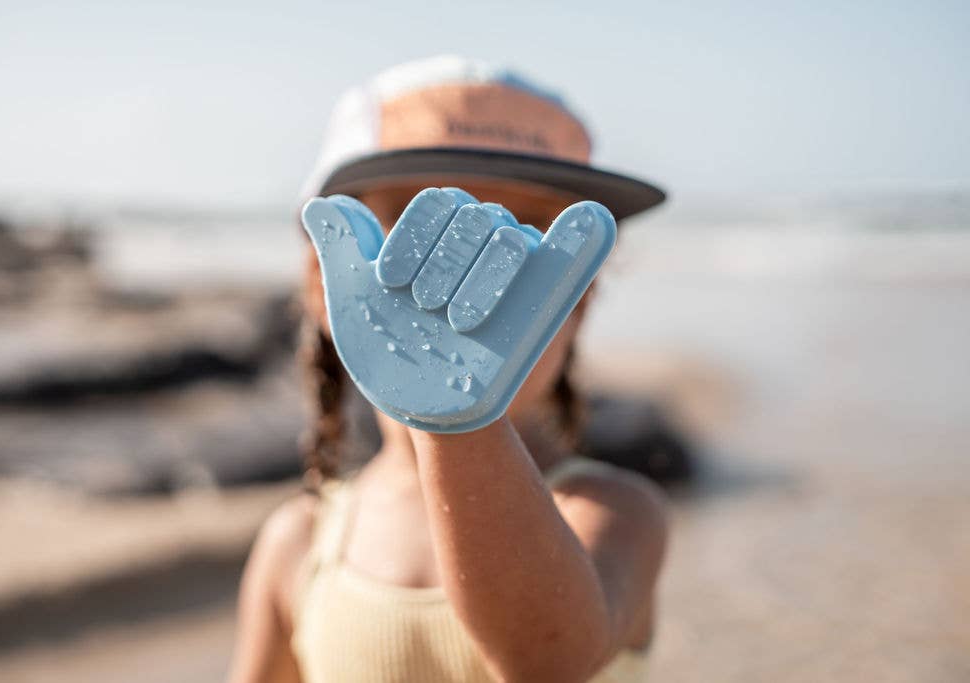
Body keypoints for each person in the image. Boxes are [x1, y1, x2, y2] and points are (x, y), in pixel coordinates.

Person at [228, 55, 669, 683]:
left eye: (529, 237)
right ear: (325, 285)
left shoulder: (610, 514)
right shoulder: (300, 544)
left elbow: (548, 664)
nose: (486, 283)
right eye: (421, 233)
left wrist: (456, 414)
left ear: (580, 302)